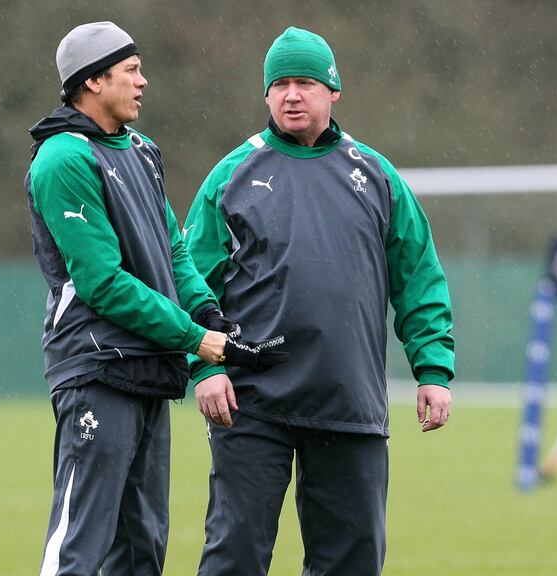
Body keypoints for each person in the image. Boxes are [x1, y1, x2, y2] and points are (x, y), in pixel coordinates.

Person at [183, 27, 455, 576]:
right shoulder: (231, 176)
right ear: (265, 95)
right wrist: (202, 365)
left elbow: (419, 276)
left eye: (304, 82)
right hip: (250, 402)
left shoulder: (377, 176)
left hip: (348, 400)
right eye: (279, 83)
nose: (291, 94)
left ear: (332, 91)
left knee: (352, 563)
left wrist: (433, 370)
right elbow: (188, 278)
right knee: (233, 557)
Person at [23, 21, 287, 576]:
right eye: (131, 70)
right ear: (93, 82)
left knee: (143, 548)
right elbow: (102, 283)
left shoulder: (141, 150)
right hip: (97, 369)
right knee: (80, 541)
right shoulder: (62, 159)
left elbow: (174, 251)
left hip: (148, 368)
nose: (144, 82)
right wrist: (198, 339)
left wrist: (210, 314)